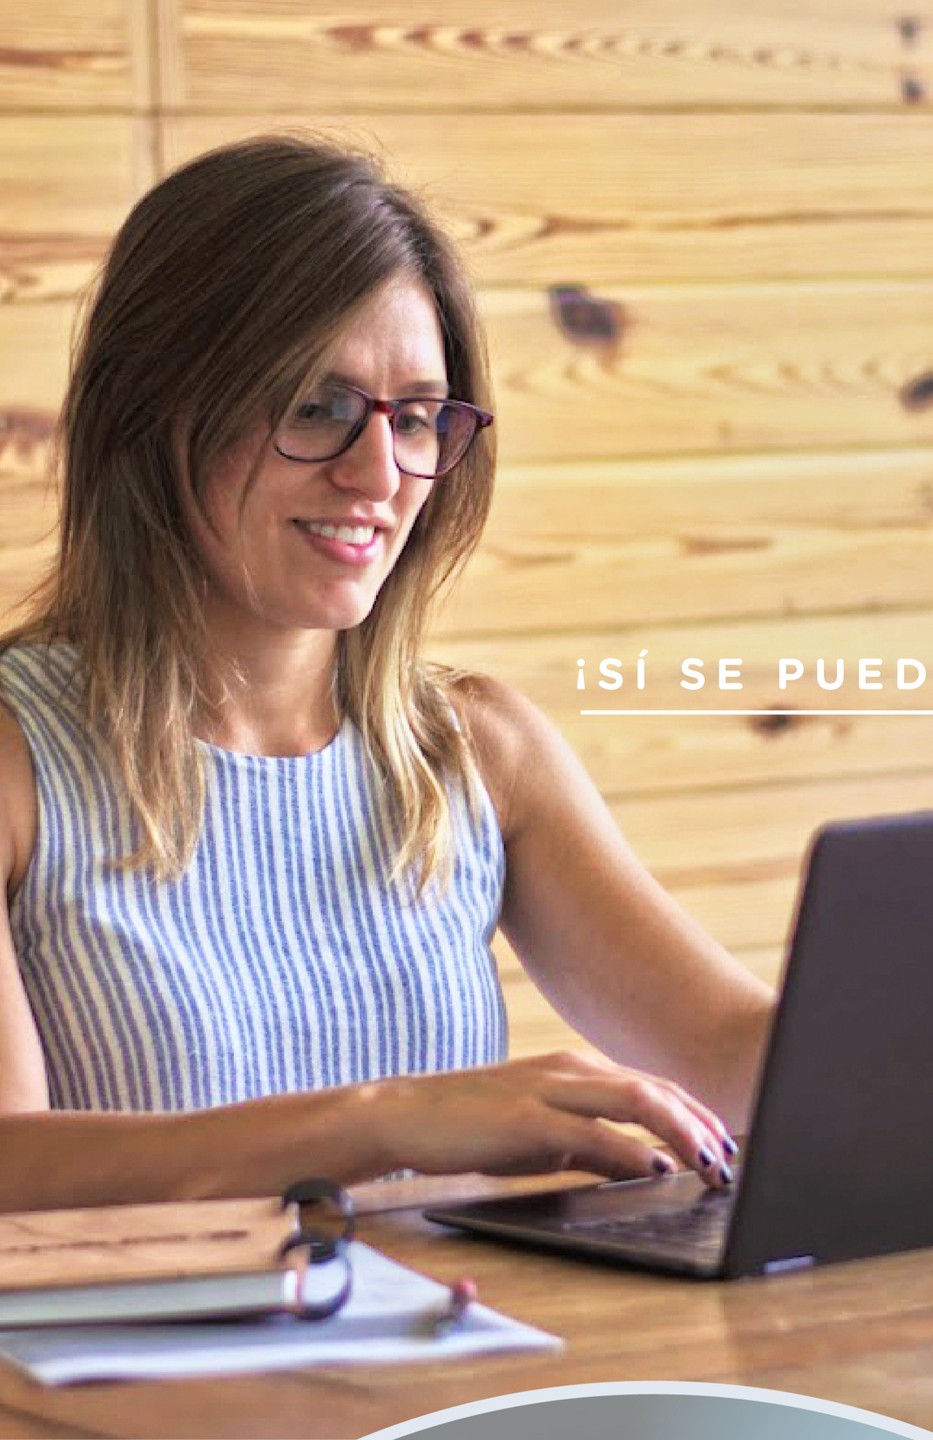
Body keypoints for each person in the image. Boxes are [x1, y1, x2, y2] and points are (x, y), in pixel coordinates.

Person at [0, 135, 774, 1213]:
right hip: (134, 1385)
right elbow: (10, 1172)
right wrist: (377, 1122)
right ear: (156, 412)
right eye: (314, 407)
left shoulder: (475, 752)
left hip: (462, 1368)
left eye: (414, 416)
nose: (378, 476)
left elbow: (738, 1052)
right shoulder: (18, 764)